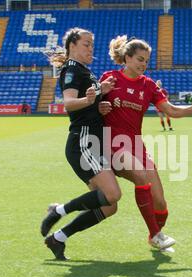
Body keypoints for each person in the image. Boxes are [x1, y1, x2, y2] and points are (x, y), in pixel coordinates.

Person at [99, 35, 192, 251]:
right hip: (112, 143)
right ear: (127, 58)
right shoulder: (110, 78)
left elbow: (169, 109)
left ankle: (153, 236)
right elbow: (92, 104)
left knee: (160, 202)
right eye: (140, 59)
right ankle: (156, 235)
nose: (143, 64)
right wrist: (98, 105)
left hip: (136, 145)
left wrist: (191, 110)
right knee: (141, 177)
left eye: (147, 61)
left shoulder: (148, 85)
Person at [40, 27, 122, 260]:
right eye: (86, 44)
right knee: (113, 194)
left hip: (92, 141)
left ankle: (58, 238)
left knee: (108, 206)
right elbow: (68, 103)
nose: (90, 49)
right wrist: (89, 99)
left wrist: (100, 99)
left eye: (92, 45)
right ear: (72, 45)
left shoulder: (85, 70)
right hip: (83, 141)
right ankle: (58, 210)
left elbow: (89, 105)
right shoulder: (72, 69)